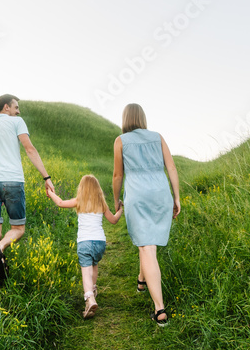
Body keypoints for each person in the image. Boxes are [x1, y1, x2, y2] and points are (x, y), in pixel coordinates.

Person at [0, 94, 56, 298]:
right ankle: (0, 249)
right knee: (18, 229)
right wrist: (46, 177)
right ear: (6, 107)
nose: (18, 111)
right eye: (16, 107)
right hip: (12, 181)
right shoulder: (16, 122)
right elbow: (29, 149)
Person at [112, 103, 180, 326]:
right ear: (142, 118)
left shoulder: (121, 141)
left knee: (146, 247)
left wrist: (116, 199)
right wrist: (176, 197)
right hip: (161, 194)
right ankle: (141, 280)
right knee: (148, 245)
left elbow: (117, 175)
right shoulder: (157, 137)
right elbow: (171, 168)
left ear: (125, 119)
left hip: (138, 196)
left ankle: (160, 309)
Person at [47, 174, 124, 319]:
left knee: (85, 269)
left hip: (85, 242)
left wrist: (50, 193)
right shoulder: (101, 203)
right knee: (94, 265)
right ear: (97, 190)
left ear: (82, 188)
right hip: (100, 242)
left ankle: (89, 299)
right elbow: (113, 220)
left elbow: (60, 202)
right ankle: (93, 290)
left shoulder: (79, 201)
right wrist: (120, 210)